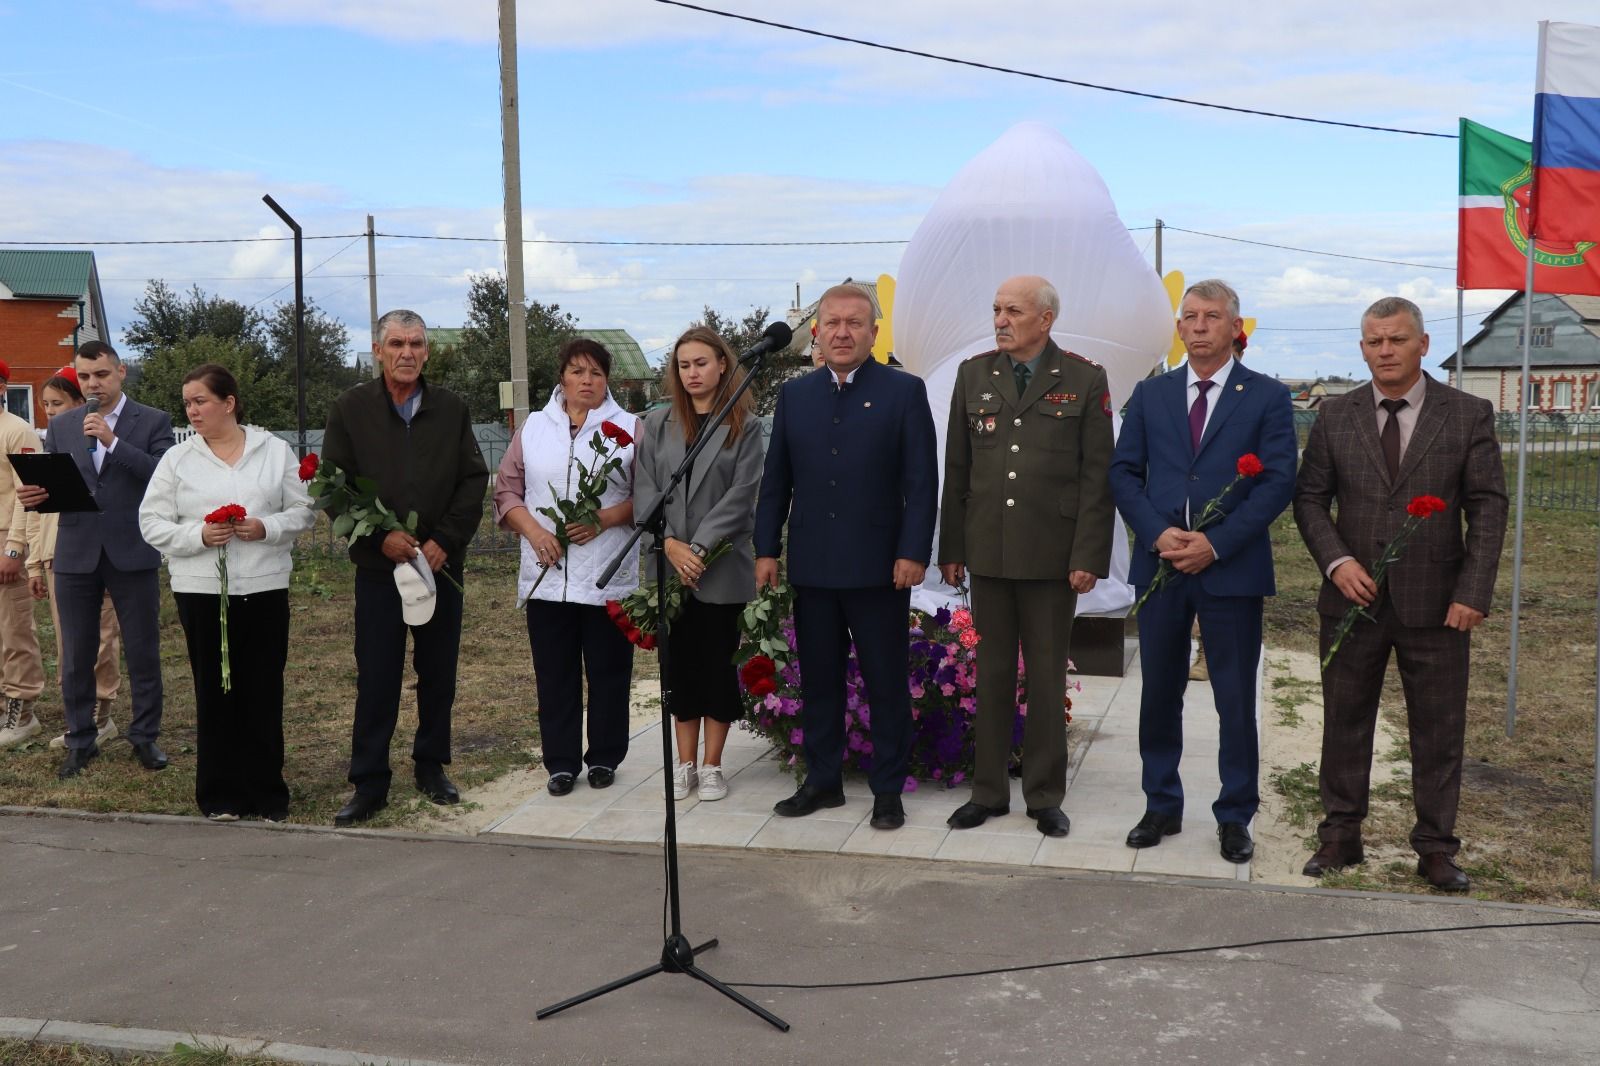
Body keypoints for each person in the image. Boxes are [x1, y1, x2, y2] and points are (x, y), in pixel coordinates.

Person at [1293, 296, 1508, 892]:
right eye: (1372, 341)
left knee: (1438, 730)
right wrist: (1336, 562)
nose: (1383, 351)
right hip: (1351, 604)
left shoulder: (1466, 414)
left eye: (1395, 340)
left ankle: (1436, 847)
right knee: (1344, 721)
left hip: (1438, 605)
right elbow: (1310, 499)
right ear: (1362, 347)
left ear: (1422, 345)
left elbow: (1488, 508)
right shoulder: (1336, 415)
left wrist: (1473, 590)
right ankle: (1341, 835)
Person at [1108, 279, 1296, 864]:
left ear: (1235, 327)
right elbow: (1123, 473)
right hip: (1161, 565)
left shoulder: (1265, 396)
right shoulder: (1152, 393)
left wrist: (1215, 544)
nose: (1198, 325)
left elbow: (1277, 481)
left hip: (1229, 569)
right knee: (1159, 691)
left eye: (1211, 316)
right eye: (1189, 316)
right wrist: (1158, 532)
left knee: (1234, 699)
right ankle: (1161, 804)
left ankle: (1235, 814)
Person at [753, 283, 938, 831]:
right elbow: (776, 480)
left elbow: (922, 483)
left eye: (854, 323)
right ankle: (823, 781)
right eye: (832, 322)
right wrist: (767, 548)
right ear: (817, 331)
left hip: (880, 568)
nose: (841, 332)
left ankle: (887, 790)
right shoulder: (795, 395)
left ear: (874, 333)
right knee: (819, 681)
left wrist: (912, 551)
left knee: (885, 683)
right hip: (813, 566)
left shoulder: (904, 392)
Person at [938, 276, 1115, 838]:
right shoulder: (974, 375)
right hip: (988, 550)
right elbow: (957, 471)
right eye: (995, 309)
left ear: (1045, 318)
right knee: (988, 677)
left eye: (1013, 310)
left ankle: (1043, 795)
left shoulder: (1085, 378)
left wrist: (1088, 553)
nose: (1000, 319)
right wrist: (952, 549)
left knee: (1044, 679)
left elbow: (1097, 476)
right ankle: (987, 792)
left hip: (1052, 555)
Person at [323, 310, 488, 826]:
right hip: (379, 570)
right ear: (377, 350)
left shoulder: (452, 409)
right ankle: (369, 782)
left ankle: (431, 765)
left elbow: (472, 481)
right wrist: (380, 537)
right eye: (396, 343)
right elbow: (334, 487)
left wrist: (444, 541)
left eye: (416, 343)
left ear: (427, 352)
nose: (407, 353)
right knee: (377, 676)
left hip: (438, 567)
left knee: (437, 673)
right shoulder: (351, 409)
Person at [139, 364, 315, 821]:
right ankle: (220, 793)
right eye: (187, 404)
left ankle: (267, 793)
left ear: (229, 403)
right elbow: (151, 522)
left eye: (200, 401)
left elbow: (303, 510)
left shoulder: (274, 451)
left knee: (262, 688)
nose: (192, 411)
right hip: (200, 590)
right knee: (214, 691)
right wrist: (198, 535)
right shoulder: (178, 460)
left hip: (263, 587)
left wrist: (266, 527)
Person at [17, 340, 174, 779]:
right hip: (76, 548)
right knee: (75, 653)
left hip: (132, 547)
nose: (92, 384)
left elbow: (163, 476)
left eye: (101, 375)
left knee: (143, 650)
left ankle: (145, 735)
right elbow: (66, 484)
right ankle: (80, 738)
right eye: (84, 377)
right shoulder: (64, 424)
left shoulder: (153, 420)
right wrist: (37, 496)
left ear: (120, 372)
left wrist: (113, 440)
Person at [496, 339, 639, 796]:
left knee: (609, 672)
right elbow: (507, 493)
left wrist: (605, 518)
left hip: (606, 575)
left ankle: (604, 758)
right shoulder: (534, 427)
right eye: (578, 371)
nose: (587, 381)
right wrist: (535, 533)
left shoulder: (632, 429)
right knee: (554, 674)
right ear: (562, 376)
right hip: (547, 575)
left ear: (607, 380)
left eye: (596, 373)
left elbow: (653, 497)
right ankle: (560, 762)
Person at [634, 327, 763, 802]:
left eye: (701, 363)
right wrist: (671, 545)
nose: (692, 373)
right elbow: (645, 490)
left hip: (721, 568)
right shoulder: (656, 422)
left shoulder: (743, 426)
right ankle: (683, 764)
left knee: (716, 667)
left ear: (722, 365)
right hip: (670, 569)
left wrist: (700, 548)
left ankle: (712, 766)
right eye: (684, 365)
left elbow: (742, 495)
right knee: (679, 669)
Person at [4, 370, 124, 751]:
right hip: (58, 555)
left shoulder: (102, 448)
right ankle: (79, 711)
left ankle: (100, 713)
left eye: (59, 404)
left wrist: (11, 550)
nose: (51, 413)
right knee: (68, 640)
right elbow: (34, 509)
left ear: (81, 404)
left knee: (102, 635)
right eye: (46, 405)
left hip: (98, 553)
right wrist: (36, 562)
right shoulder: (51, 450)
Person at [0, 359, 48, 748]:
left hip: (5, 539)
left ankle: (23, 709)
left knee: (14, 628)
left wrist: (15, 549)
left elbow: (28, 494)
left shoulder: (18, 431)